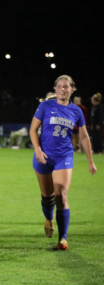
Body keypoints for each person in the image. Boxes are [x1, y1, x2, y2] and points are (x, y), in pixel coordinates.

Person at [29, 75, 97, 250]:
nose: (62, 89)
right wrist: (37, 150)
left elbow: (83, 136)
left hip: (64, 157)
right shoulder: (45, 106)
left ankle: (63, 238)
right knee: (47, 197)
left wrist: (91, 161)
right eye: (59, 86)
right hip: (43, 156)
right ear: (56, 88)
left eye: (66, 86)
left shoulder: (77, 111)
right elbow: (33, 129)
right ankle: (49, 218)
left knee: (61, 196)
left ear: (72, 89)